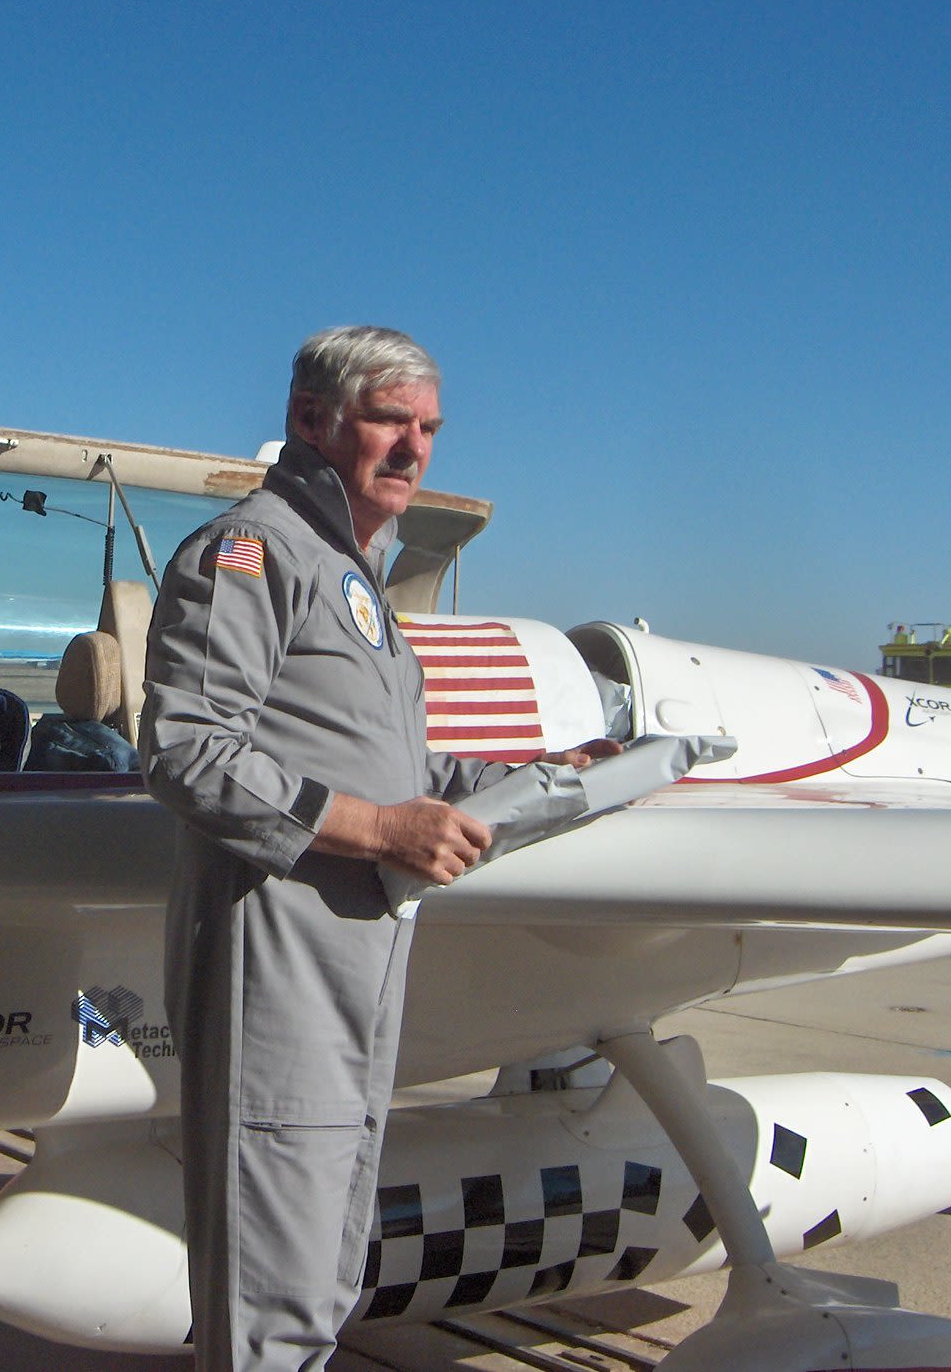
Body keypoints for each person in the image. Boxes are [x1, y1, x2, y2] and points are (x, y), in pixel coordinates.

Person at [141, 327, 605, 1370]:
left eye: (428, 428)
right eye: (389, 421)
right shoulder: (249, 554)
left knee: (319, 1271)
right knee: (275, 1288)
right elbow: (183, 749)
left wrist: (566, 773)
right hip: (278, 957)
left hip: (356, 961)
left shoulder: (354, 584)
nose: (414, 449)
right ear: (311, 420)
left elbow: (408, 781)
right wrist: (377, 830)